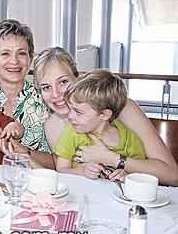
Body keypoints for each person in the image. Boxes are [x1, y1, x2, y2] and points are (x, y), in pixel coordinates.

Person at [32, 46, 178, 186]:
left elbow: (172, 176)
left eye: (63, 82)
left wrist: (111, 158)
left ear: (78, 77)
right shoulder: (52, 126)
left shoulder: (123, 108)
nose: (56, 94)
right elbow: (66, 175)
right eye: (46, 87)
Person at [0, 19, 55, 169]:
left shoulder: (48, 99)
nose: (14, 61)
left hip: (34, 184)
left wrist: (24, 151)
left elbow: (59, 163)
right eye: (5, 54)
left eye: (21, 53)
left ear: (30, 59)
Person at [54, 69, 144, 180]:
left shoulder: (129, 139)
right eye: (70, 109)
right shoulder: (72, 132)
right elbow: (61, 170)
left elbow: (140, 174)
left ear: (105, 114)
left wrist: (126, 175)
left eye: (78, 112)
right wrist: (81, 171)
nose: (70, 116)